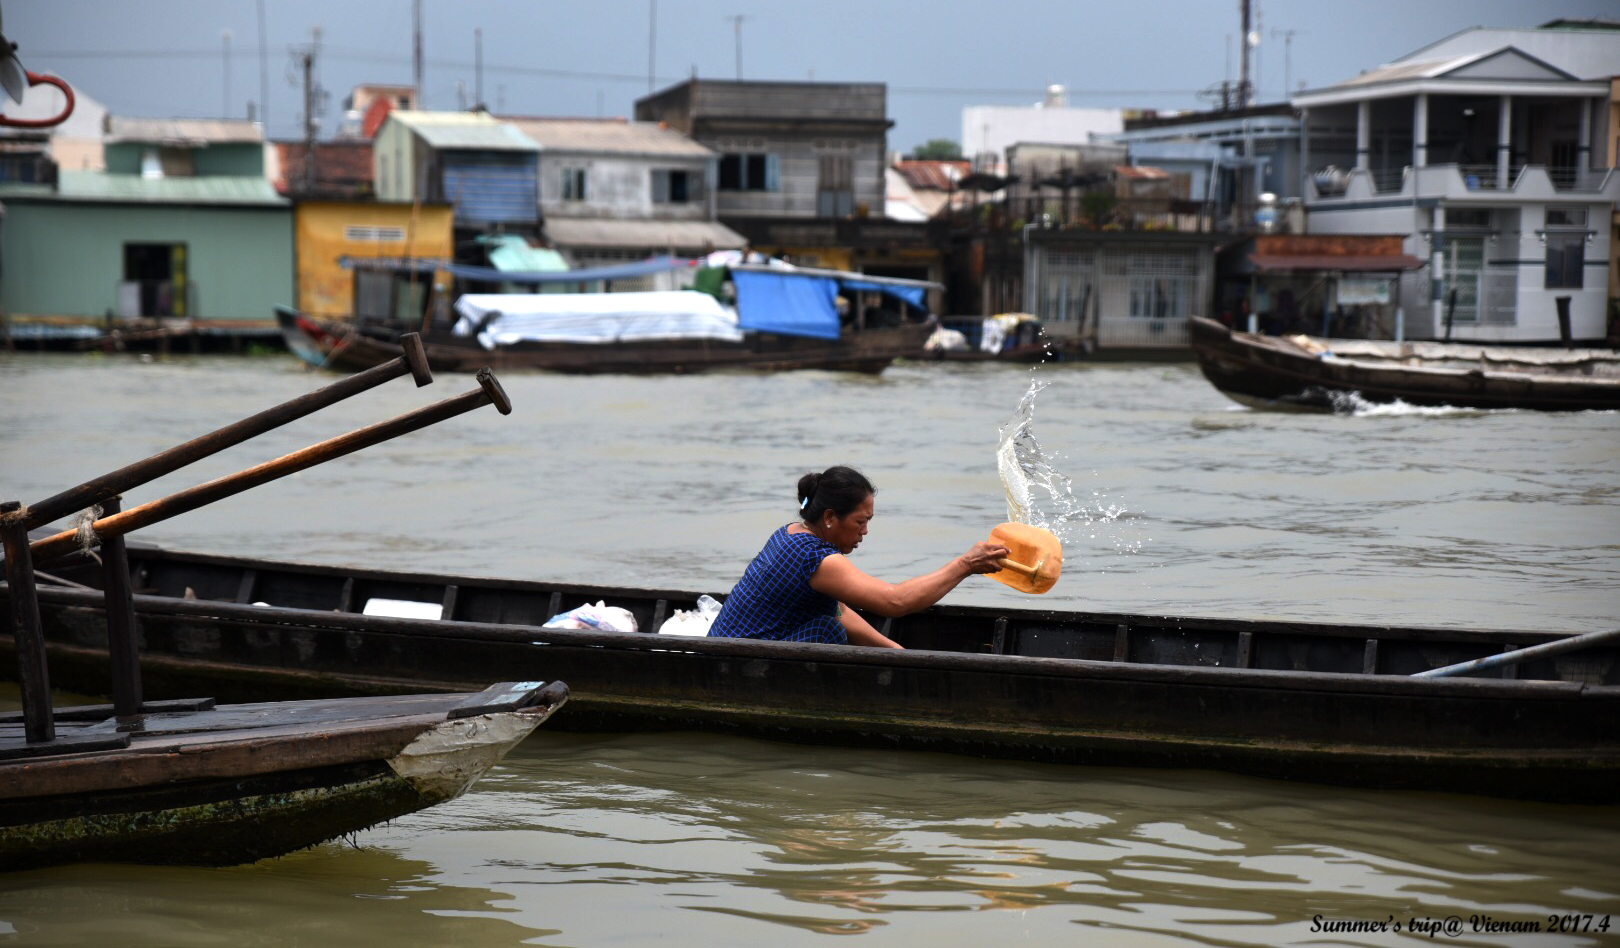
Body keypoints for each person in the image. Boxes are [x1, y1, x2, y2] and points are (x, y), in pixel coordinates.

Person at [707, 466, 1009, 648]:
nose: (864, 531)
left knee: (829, 619)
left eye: (869, 522)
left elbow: (836, 606)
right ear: (830, 517)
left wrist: (895, 651)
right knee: (828, 631)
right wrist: (965, 564)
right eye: (860, 522)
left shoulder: (790, 532)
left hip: (725, 648)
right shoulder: (817, 559)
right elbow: (895, 602)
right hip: (733, 660)